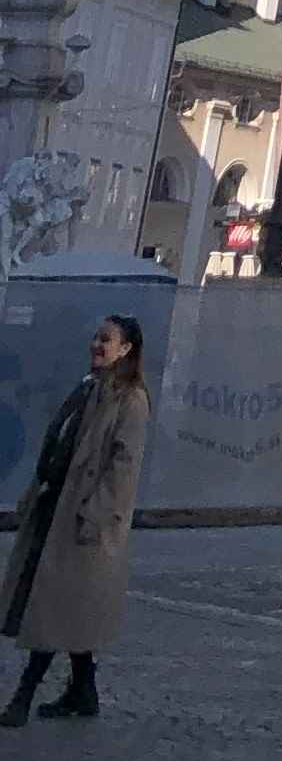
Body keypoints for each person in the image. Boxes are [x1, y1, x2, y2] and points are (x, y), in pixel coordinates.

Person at [3, 311, 153, 727]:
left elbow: (123, 468)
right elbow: (59, 441)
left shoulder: (130, 399)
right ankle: (83, 690)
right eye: (95, 337)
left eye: (106, 339)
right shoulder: (88, 388)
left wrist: (96, 514)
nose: (96, 344)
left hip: (84, 517)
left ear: (126, 348)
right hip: (57, 506)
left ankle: (23, 695)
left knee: (53, 608)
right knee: (68, 610)